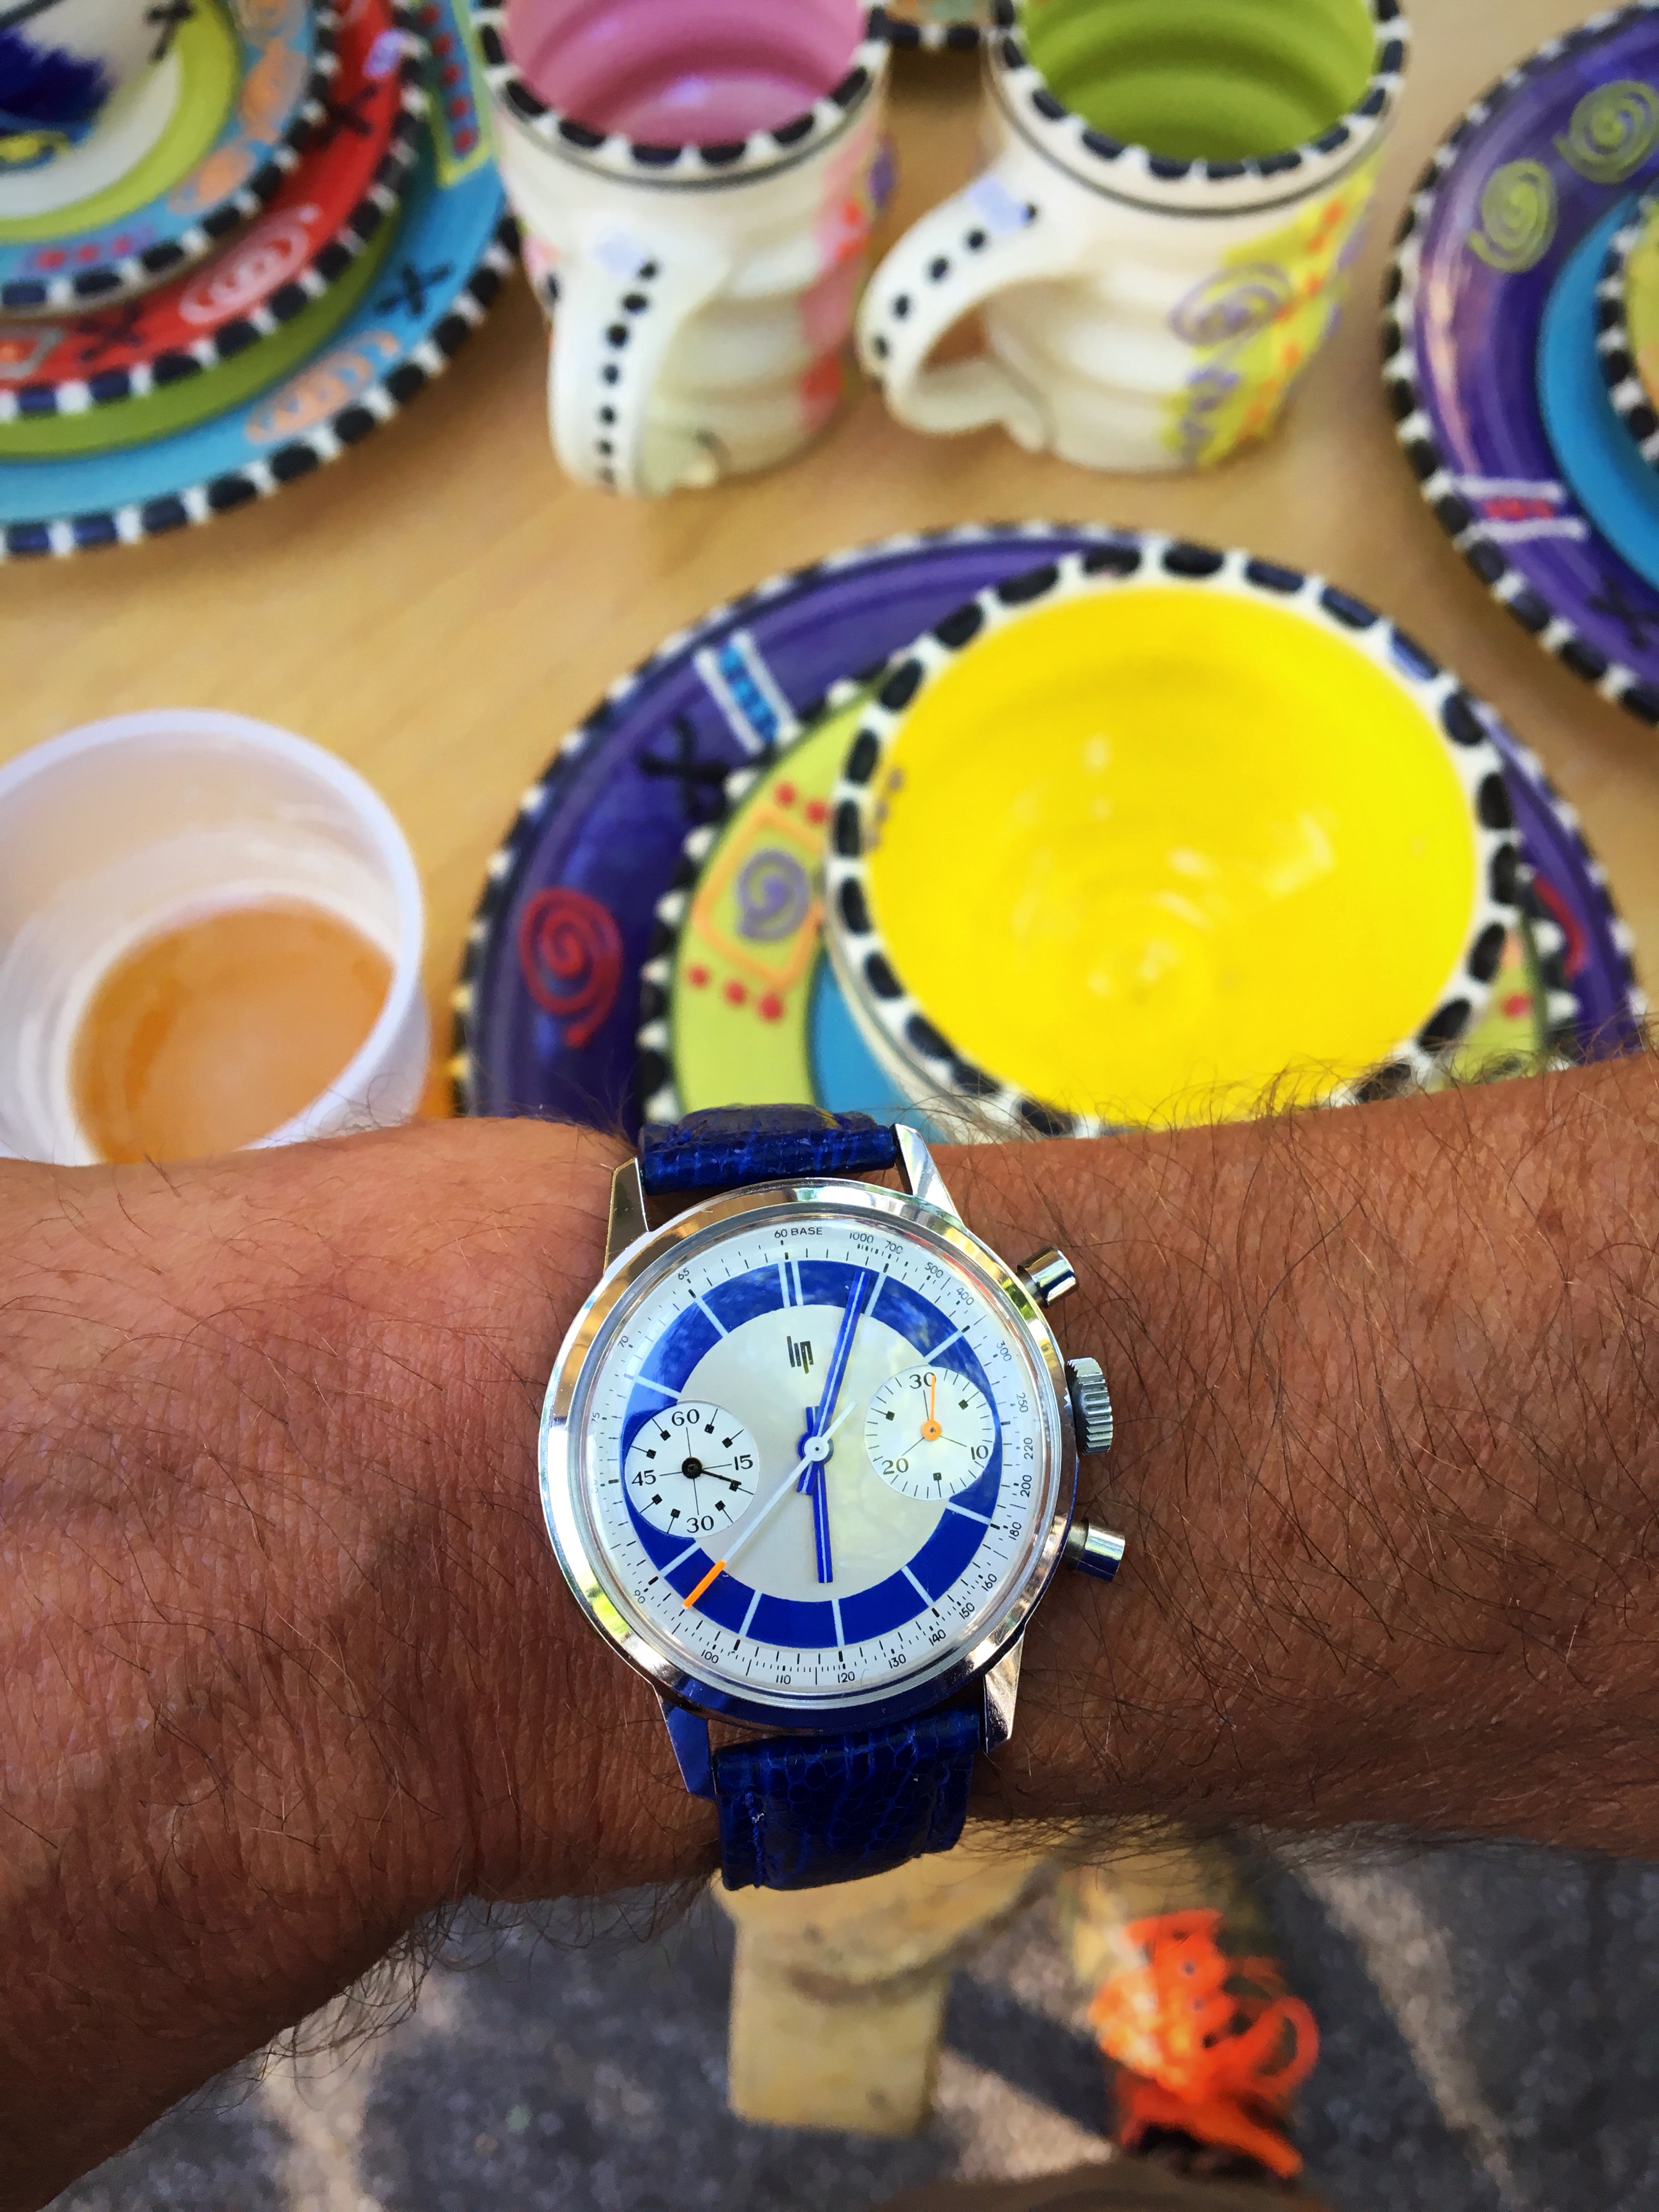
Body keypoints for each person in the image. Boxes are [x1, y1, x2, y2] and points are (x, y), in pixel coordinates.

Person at [5, 1055, 1658, 2210]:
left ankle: (1186, 2157)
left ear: (1063, 1385)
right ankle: (1203, 2152)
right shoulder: (694, 1448)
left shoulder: (970, 1373)